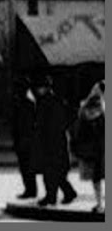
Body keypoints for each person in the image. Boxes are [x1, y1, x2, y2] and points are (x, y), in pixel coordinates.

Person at [33, 76, 77, 207]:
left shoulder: (50, 102)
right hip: (54, 141)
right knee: (54, 172)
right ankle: (63, 194)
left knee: (51, 171)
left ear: (46, 88)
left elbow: (51, 123)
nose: (38, 90)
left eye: (40, 87)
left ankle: (53, 196)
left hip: (53, 141)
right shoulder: (53, 100)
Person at [72, 79, 105, 215]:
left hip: (95, 148)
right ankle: (100, 204)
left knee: (97, 178)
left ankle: (100, 204)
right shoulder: (97, 104)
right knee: (99, 176)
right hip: (100, 147)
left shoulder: (88, 106)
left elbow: (80, 129)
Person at [11, 77, 38, 199]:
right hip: (21, 139)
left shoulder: (28, 104)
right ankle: (29, 189)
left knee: (28, 167)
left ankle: (31, 190)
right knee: (24, 167)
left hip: (27, 141)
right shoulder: (20, 103)